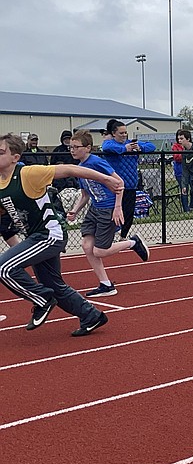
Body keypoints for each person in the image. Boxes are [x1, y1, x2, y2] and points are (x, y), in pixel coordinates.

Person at [0, 133, 123, 336]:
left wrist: (106, 179)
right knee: (52, 285)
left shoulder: (28, 174)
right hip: (34, 237)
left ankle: (42, 300)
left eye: (1, 152)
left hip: (49, 235)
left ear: (15, 157)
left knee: (3, 267)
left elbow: (69, 169)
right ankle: (91, 315)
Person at [65, 130, 150, 297]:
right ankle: (106, 284)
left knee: (99, 251)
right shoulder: (79, 168)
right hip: (94, 209)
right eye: (70, 147)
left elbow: (119, 182)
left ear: (88, 148)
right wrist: (75, 210)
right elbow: (85, 194)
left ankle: (132, 242)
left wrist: (118, 207)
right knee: (86, 246)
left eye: (76, 147)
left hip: (108, 208)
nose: (72, 150)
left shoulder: (96, 162)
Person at [101, 119, 156, 239]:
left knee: (129, 213)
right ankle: (111, 234)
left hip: (131, 185)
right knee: (114, 212)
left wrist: (139, 148)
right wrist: (124, 149)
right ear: (114, 133)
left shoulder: (131, 143)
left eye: (125, 132)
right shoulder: (110, 144)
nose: (124, 135)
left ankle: (123, 236)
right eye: (121, 133)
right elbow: (107, 147)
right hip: (116, 186)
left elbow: (152, 146)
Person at [171, 131, 191, 212]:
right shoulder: (175, 146)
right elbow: (177, 157)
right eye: (178, 138)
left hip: (190, 171)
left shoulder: (189, 146)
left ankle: (192, 206)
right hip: (180, 171)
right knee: (184, 189)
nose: (179, 140)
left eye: (181, 138)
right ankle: (186, 209)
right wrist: (185, 153)